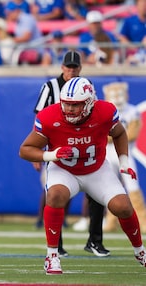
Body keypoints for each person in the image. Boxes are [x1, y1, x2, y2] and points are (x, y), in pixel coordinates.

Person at [19, 76, 146, 274]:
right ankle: (52, 255)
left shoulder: (104, 111)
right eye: (67, 104)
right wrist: (52, 154)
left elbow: (120, 133)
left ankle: (140, 251)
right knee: (55, 195)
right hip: (64, 169)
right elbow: (25, 149)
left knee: (123, 207)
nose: (69, 109)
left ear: (89, 103)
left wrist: (123, 162)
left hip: (96, 169)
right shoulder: (49, 116)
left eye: (75, 105)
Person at [33, 50, 109, 257]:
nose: (71, 71)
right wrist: (38, 150)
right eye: (69, 67)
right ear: (62, 67)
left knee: (97, 194)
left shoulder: (87, 85)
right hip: (57, 149)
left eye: (75, 67)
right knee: (56, 193)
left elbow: (98, 113)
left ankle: (95, 240)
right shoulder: (50, 87)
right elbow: (39, 119)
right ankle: (55, 244)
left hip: (85, 146)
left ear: (80, 68)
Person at [102, 82, 146, 232]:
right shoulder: (104, 111)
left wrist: (115, 136)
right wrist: (118, 136)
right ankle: (110, 221)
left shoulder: (132, 111)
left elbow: (132, 135)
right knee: (109, 189)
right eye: (113, 95)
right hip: (108, 154)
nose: (117, 98)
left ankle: (142, 221)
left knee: (133, 187)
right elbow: (101, 135)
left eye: (119, 94)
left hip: (125, 154)